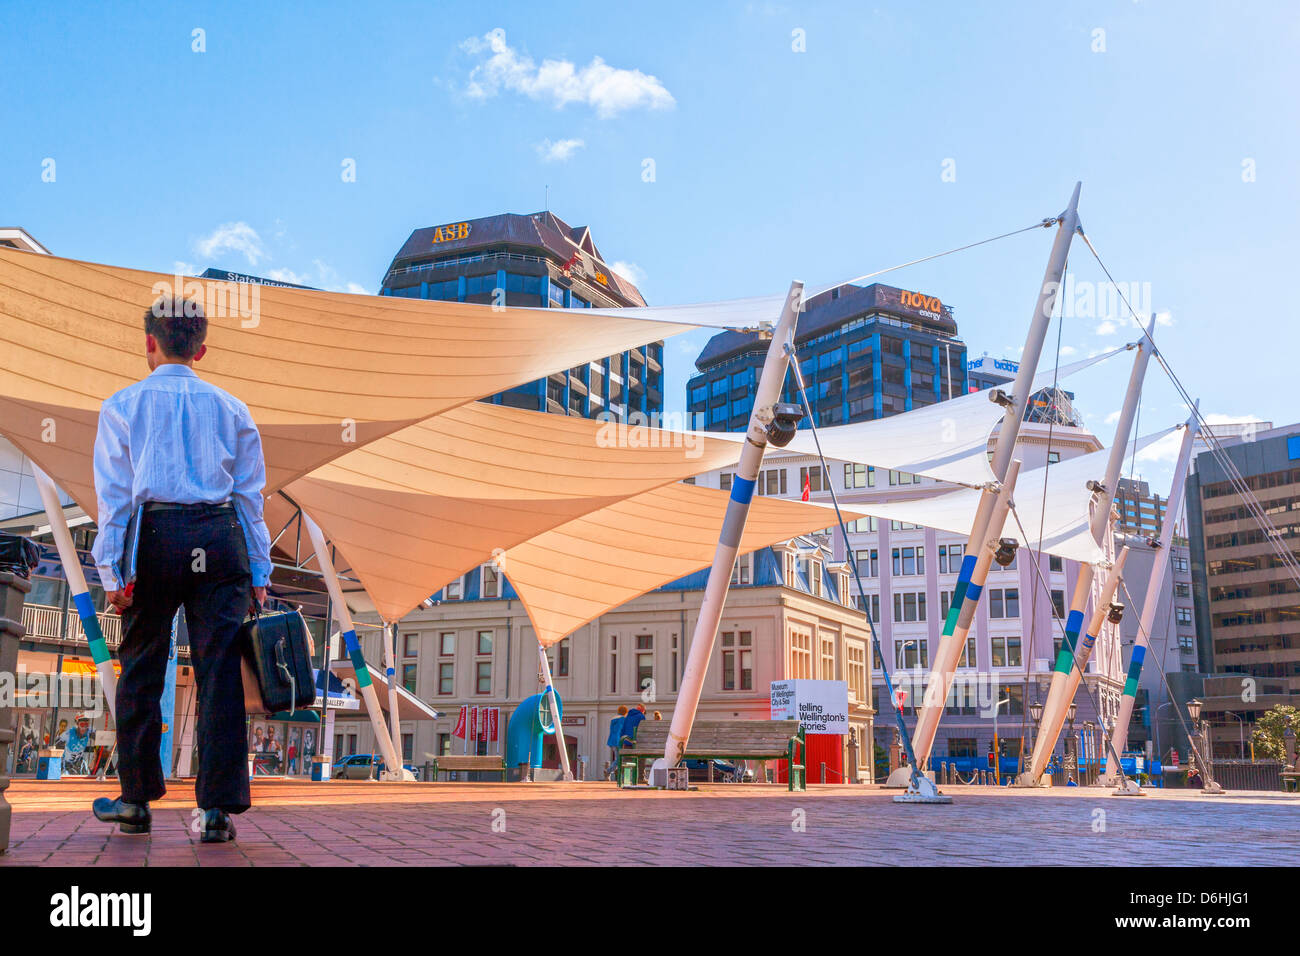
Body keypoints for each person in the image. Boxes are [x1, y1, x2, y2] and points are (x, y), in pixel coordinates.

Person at [90, 294, 272, 844]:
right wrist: (259, 571)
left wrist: (110, 571)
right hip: (219, 539)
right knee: (219, 673)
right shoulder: (233, 408)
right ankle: (216, 812)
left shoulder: (122, 405)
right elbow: (250, 499)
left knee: (143, 664)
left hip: (155, 537)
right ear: (202, 350)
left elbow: (115, 498)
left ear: (150, 343)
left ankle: (135, 800)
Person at [606, 705, 628, 780]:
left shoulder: (613, 719)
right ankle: (609, 770)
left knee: (618, 758)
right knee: (619, 759)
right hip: (619, 741)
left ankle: (615, 773)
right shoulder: (623, 719)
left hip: (612, 740)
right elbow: (622, 730)